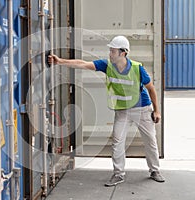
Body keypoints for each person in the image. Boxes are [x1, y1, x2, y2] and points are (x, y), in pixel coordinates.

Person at [48, 35, 165, 186]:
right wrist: (61, 61)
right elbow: (83, 64)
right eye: (110, 50)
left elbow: (151, 89)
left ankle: (154, 170)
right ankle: (118, 174)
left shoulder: (137, 68)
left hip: (142, 109)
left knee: (150, 140)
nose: (110, 54)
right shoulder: (107, 65)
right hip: (123, 111)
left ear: (123, 53)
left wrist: (157, 111)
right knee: (117, 141)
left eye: (113, 51)